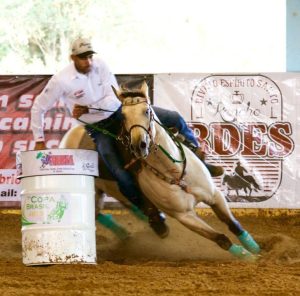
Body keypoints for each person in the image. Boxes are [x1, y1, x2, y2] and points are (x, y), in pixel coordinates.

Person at [31, 37, 223, 237]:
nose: (88, 61)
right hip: (99, 128)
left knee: (174, 119)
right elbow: (39, 107)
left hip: (121, 115)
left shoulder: (100, 65)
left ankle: (198, 157)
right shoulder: (61, 80)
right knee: (119, 173)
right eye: (82, 57)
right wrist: (39, 140)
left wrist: (89, 107)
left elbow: (112, 97)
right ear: (73, 58)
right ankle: (150, 212)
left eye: (89, 56)